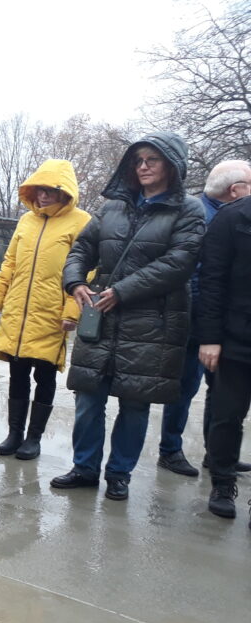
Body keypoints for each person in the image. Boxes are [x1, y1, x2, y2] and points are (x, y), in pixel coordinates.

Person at [52, 132, 203, 501]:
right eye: (138, 160)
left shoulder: (189, 209)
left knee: (135, 402)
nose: (144, 166)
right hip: (100, 317)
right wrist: (75, 282)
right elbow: (82, 249)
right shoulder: (113, 207)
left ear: (172, 164)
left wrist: (122, 291)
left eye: (152, 159)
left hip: (153, 322)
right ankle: (84, 467)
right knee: (89, 398)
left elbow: (179, 263)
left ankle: (119, 473)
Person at [0, 160, 91, 460]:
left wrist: (72, 310)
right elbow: (10, 265)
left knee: (45, 375)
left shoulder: (81, 222)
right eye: (39, 190)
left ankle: (34, 438)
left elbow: (85, 270)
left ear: (65, 192)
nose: (43, 196)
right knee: (17, 374)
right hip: (18, 312)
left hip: (52, 314)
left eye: (50, 191)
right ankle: (14, 433)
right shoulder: (25, 221)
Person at [158, 159, 251, 477]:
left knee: (220, 392)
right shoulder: (198, 214)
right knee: (184, 387)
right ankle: (170, 450)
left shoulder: (229, 216)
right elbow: (197, 274)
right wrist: (204, 323)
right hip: (193, 319)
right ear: (236, 189)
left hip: (220, 324)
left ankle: (217, 452)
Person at [198, 191, 251, 522]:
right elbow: (211, 281)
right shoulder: (233, 218)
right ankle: (222, 484)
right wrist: (210, 338)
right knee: (226, 416)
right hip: (236, 338)